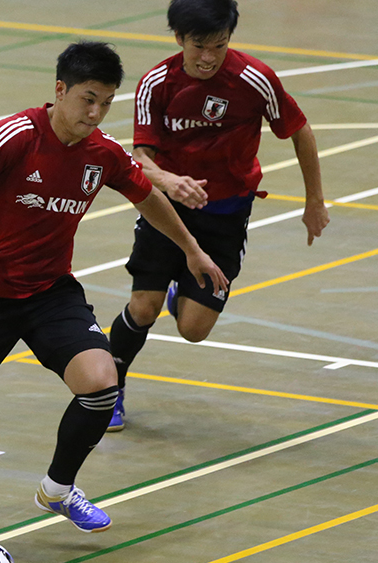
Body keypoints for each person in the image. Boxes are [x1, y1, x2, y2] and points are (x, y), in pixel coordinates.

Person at [0, 40, 227, 542]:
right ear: (60, 90)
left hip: (51, 293)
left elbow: (148, 198)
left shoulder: (105, 154)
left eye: (106, 103)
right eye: (87, 99)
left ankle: (57, 488)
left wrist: (192, 251)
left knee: (100, 383)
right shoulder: (17, 135)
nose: (94, 113)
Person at [107, 0, 330, 431]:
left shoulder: (255, 79)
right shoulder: (157, 82)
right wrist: (168, 181)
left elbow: (299, 130)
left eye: (219, 46)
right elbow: (141, 156)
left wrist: (314, 202)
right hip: (166, 210)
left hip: (226, 214)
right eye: (198, 47)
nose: (208, 57)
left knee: (193, 329)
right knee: (143, 305)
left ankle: (182, 296)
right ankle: (110, 388)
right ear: (178, 39)